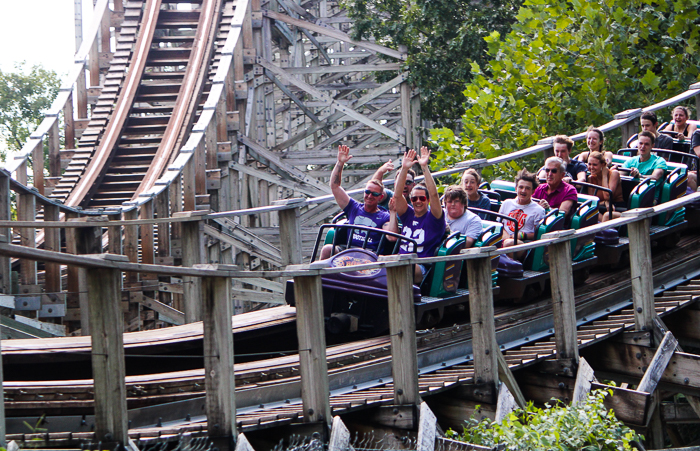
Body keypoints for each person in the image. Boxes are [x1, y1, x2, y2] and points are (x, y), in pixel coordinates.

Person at [321, 145, 392, 259]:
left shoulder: (384, 216)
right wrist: (340, 162)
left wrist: (393, 213)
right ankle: (321, 276)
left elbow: (391, 237)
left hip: (369, 253)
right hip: (348, 249)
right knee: (327, 249)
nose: (369, 196)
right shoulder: (354, 207)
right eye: (367, 192)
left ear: (380, 197)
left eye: (374, 194)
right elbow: (335, 186)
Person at [389, 147, 446, 283]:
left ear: (427, 200)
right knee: (376, 261)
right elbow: (397, 195)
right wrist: (404, 169)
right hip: (400, 261)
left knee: (404, 267)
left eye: (422, 198)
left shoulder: (434, 217)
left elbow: (433, 194)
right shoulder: (408, 214)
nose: (418, 201)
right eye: (414, 199)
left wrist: (424, 167)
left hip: (420, 267)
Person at [498, 169, 546, 259]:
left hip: (524, 244)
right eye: (521, 187)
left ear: (533, 191)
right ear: (516, 188)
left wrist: (522, 235)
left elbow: (538, 234)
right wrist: (505, 235)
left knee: (509, 243)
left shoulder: (538, 210)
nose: (523, 191)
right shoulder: (506, 203)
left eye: (527, 188)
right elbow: (499, 224)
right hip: (504, 239)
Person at [586, 151, 624, 221]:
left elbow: (607, 196)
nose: (591, 167)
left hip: (617, 209)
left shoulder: (613, 174)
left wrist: (604, 175)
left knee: (607, 215)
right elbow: (592, 202)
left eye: (595, 165)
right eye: (589, 164)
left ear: (603, 165)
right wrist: (604, 203)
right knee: (589, 214)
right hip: (602, 208)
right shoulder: (590, 178)